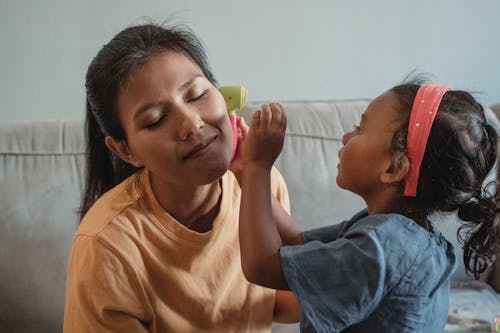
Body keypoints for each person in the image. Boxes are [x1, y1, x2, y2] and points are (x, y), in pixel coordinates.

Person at [63, 23, 300, 333]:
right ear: (125, 150)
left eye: (197, 94)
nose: (191, 124)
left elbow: (282, 303)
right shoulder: (107, 246)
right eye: (156, 120)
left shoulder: (261, 184)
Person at [238, 83, 500, 332]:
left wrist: (258, 168)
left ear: (394, 168)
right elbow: (297, 244)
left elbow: (261, 267)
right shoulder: (395, 233)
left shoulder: (383, 247)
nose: (344, 137)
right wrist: (245, 175)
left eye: (359, 129)